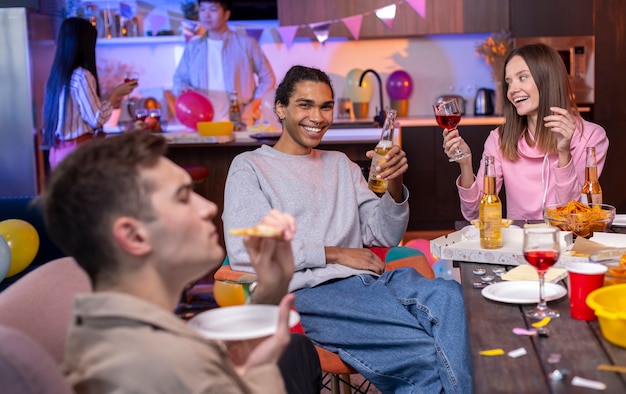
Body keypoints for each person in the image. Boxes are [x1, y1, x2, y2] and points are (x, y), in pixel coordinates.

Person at [223, 65, 473, 393]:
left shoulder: (341, 164)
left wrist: (395, 184)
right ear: (281, 108)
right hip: (312, 293)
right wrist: (337, 253)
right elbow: (246, 250)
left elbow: (382, 235)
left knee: (450, 295)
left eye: (325, 106)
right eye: (305, 105)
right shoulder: (250, 167)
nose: (318, 116)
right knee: (423, 353)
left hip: (371, 284)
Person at [41, 131, 321, 393]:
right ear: (134, 235)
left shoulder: (113, 330)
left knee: (295, 348)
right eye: (184, 197)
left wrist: (272, 285)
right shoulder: (168, 368)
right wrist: (260, 370)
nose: (209, 207)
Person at [443, 43, 609, 220]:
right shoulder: (499, 139)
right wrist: (465, 164)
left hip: (569, 245)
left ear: (547, 79)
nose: (512, 90)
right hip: (519, 245)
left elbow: (574, 216)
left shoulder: (591, 138)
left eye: (522, 78)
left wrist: (564, 153)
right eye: (509, 82)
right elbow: (475, 215)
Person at [42, 17, 137, 169]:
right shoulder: (81, 76)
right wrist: (116, 94)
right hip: (77, 153)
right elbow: (97, 119)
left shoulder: (56, 76)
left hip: (56, 152)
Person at [172, 0, 275, 126]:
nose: (206, 15)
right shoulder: (193, 48)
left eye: (213, 9)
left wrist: (253, 106)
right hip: (201, 123)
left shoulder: (246, 44)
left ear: (226, 14)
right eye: (203, 9)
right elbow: (179, 79)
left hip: (239, 121)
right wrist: (183, 88)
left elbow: (268, 78)